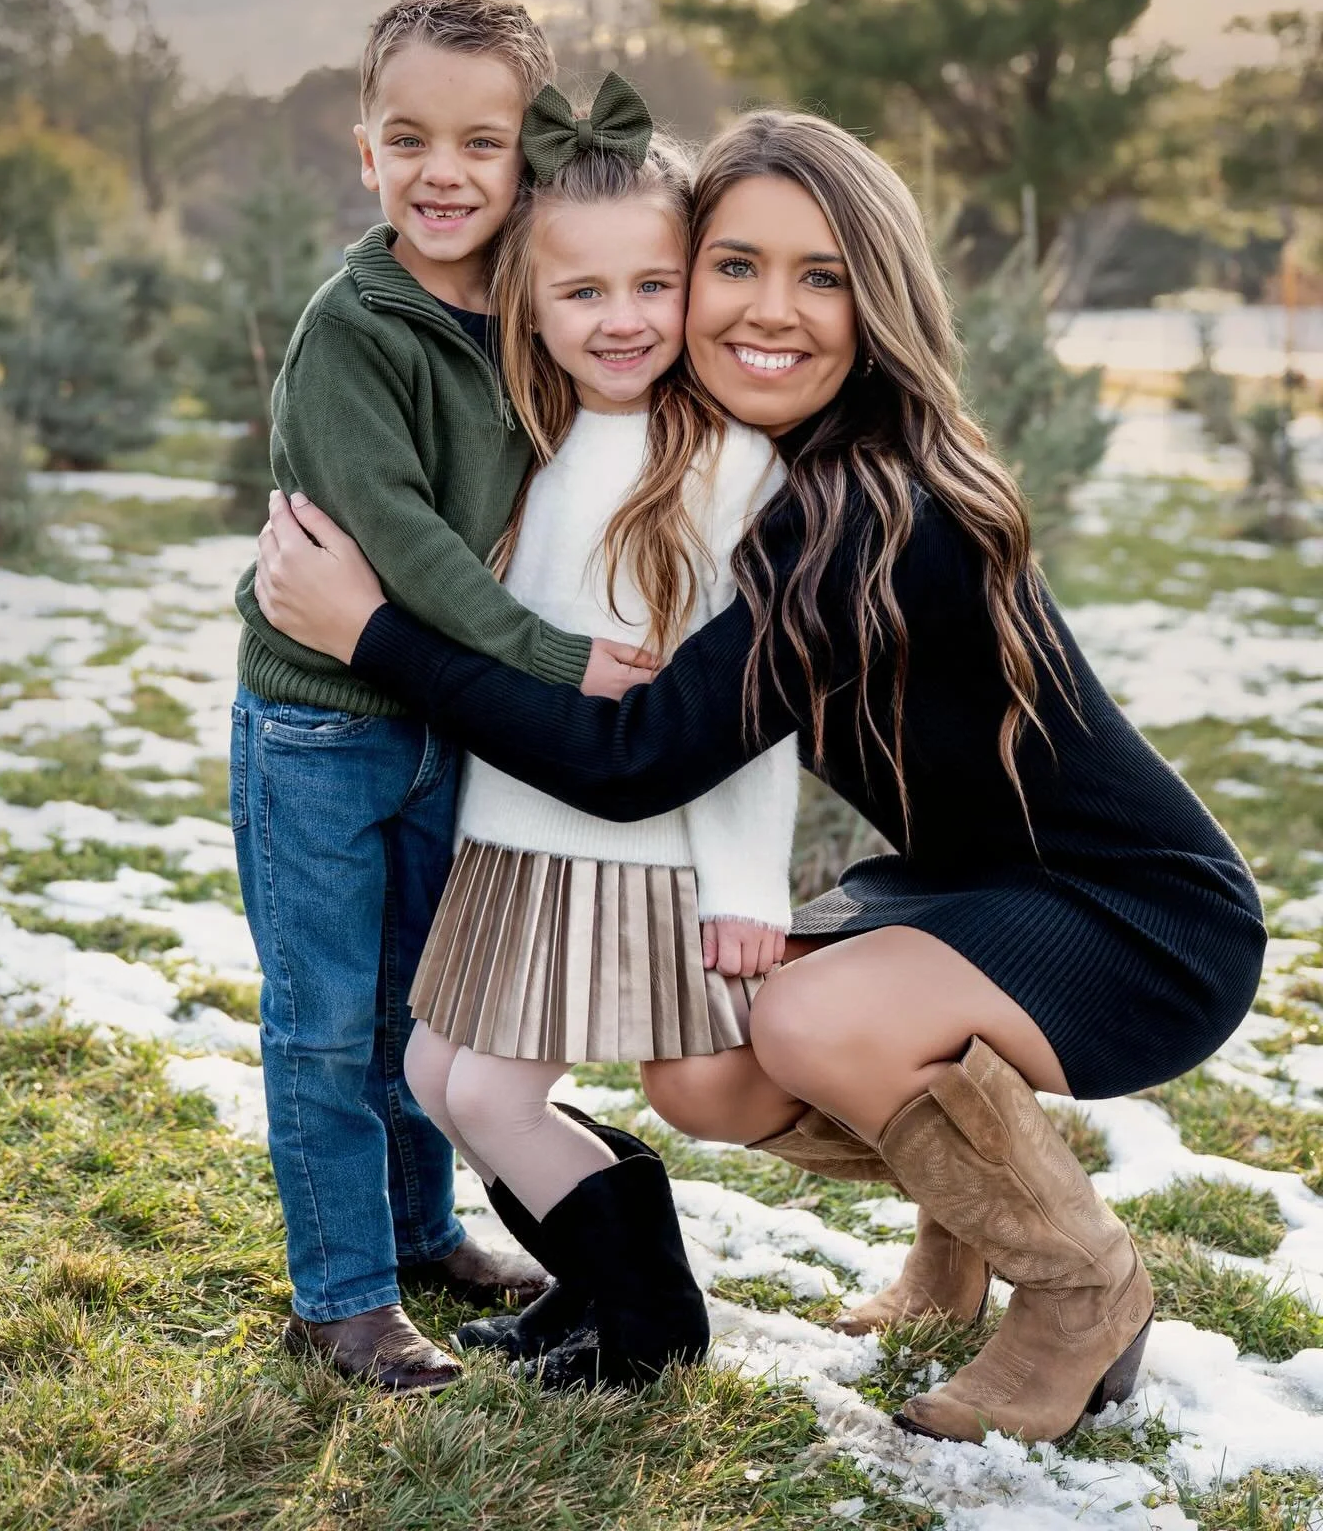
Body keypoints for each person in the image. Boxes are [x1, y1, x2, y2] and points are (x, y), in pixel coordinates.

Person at [253, 107, 1266, 1445]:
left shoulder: (872, 514)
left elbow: (636, 763)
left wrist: (372, 636)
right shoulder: (779, 475)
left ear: (880, 296)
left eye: (821, 274)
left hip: (1137, 920)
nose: (767, 310)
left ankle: (1084, 1291)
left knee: (807, 1026)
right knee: (706, 1078)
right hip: (963, 889)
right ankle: (954, 1242)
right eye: (734, 266)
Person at [230, 0, 650, 1394]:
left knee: (423, 1010)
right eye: (407, 138)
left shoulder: (529, 307)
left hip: (442, 723)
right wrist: (556, 661)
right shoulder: (356, 329)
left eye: (480, 141)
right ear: (365, 151)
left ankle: (422, 1231)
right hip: (323, 728)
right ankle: (341, 1299)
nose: (443, 171)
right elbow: (403, 550)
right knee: (326, 1015)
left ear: (526, 154)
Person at [401, 75, 798, 1390]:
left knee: (498, 1096)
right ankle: (591, 1286)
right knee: (437, 1073)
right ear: (531, 304)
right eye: (583, 294)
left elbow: (757, 705)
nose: (621, 320)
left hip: (617, 845)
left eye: (653, 285)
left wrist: (746, 886)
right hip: (513, 831)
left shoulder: (724, 465)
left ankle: (649, 1326)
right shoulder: (546, 438)